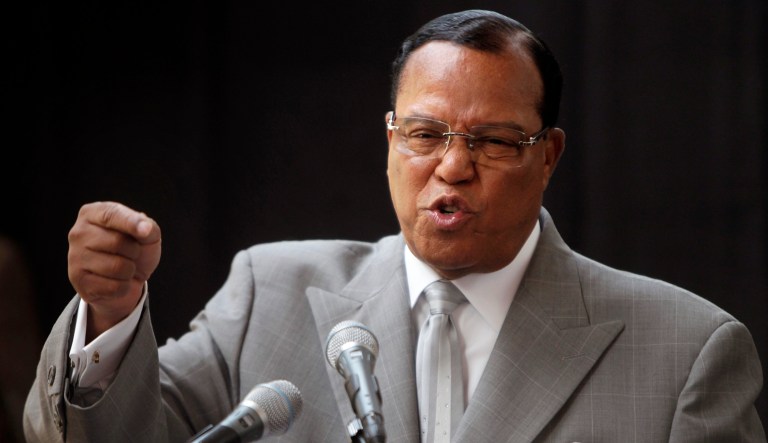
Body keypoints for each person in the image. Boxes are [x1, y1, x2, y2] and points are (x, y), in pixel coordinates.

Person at [24, 9, 765, 443]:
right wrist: (113, 318)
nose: (452, 167)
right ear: (389, 142)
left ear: (548, 156)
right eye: (424, 134)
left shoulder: (687, 352)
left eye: (494, 141)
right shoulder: (271, 294)